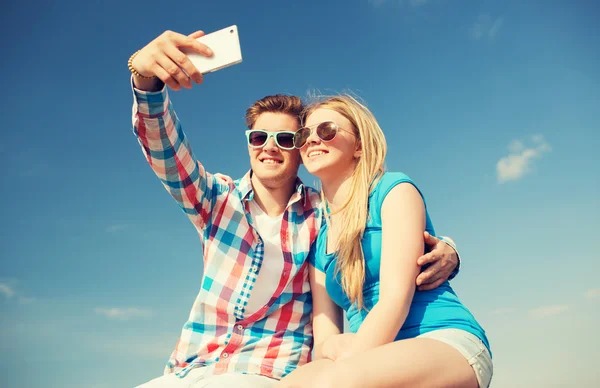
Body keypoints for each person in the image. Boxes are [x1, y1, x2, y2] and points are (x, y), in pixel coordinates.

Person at [128, 29, 462, 388]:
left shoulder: (324, 214)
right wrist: (145, 80)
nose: (269, 147)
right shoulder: (215, 200)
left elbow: (382, 226)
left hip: (265, 371)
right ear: (249, 144)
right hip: (189, 369)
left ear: (300, 150)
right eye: (259, 137)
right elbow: (165, 149)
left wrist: (447, 248)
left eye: (286, 139)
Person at [278, 95, 493, 388]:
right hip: (365, 355)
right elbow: (325, 333)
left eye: (326, 130)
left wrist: (349, 357)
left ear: (359, 146)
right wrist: (336, 350)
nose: (312, 140)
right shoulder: (320, 239)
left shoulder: (393, 191)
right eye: (304, 134)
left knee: (336, 383)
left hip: (439, 338)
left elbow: (395, 298)